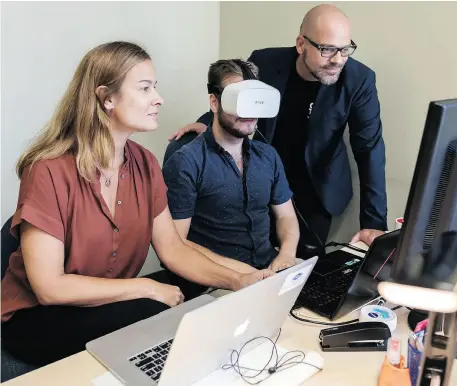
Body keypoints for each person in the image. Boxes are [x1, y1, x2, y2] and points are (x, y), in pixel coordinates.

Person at [0, 42, 272, 367]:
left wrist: (240, 281)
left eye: (154, 87)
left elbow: (173, 248)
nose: (158, 98)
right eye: (145, 88)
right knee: (157, 311)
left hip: (100, 304)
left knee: (188, 310)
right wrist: (146, 286)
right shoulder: (48, 170)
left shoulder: (145, 163)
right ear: (107, 98)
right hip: (36, 317)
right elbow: (49, 288)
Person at [169, 4, 388, 252]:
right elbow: (237, 96)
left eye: (345, 49)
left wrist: (374, 224)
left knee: (301, 264)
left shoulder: (360, 80)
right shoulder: (264, 62)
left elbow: (369, 149)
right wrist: (208, 121)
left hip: (316, 187)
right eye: (327, 50)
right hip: (262, 177)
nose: (338, 59)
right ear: (301, 44)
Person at [163, 59, 300, 274]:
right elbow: (175, 243)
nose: (248, 112)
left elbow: (286, 216)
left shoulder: (268, 156)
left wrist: (287, 255)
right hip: (215, 279)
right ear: (215, 102)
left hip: (269, 268)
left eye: (253, 100)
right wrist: (242, 275)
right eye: (238, 100)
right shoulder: (186, 162)